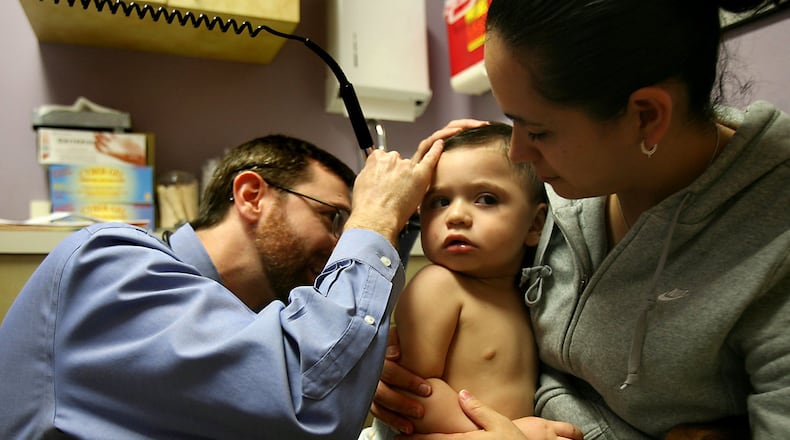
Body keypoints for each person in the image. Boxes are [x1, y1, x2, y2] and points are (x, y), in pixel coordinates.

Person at [370, 0, 790, 439]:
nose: (517, 154)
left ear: (646, 116)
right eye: (511, 121)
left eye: (537, 131)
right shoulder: (558, 185)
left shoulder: (772, 238)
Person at [0, 134, 442, 439]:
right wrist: (376, 214)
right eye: (333, 219)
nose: (340, 243)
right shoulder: (108, 264)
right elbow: (307, 408)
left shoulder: (252, 319)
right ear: (251, 196)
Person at [361, 123, 549, 439]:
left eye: (486, 199)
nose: (456, 216)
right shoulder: (438, 285)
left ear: (535, 224)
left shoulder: (526, 292)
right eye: (440, 201)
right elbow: (411, 392)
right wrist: (515, 433)